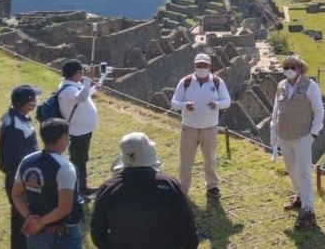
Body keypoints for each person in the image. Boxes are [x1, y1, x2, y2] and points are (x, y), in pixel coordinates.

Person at [90, 132, 198, 249]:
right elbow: (186, 225)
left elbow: (97, 232)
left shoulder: (108, 189)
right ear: (150, 152)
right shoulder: (168, 185)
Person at [270, 55, 325, 230]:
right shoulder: (281, 86)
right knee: (291, 169)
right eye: (287, 66)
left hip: (302, 136)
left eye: (293, 66)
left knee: (303, 171)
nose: (290, 69)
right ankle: (300, 197)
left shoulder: (310, 87)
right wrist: (274, 132)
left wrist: (313, 134)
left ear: (301, 68)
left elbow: (319, 111)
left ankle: (308, 209)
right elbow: (276, 112)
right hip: (285, 136)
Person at [12, 118, 84, 249]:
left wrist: (29, 217)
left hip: (36, 235)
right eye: (68, 135)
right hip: (61, 237)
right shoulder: (64, 167)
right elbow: (64, 208)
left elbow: (16, 195)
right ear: (63, 137)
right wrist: (40, 222)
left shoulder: (26, 161)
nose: (69, 139)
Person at [171, 52, 231, 198]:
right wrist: (185, 105)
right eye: (199, 65)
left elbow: (227, 101)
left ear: (210, 66)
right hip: (189, 127)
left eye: (204, 65)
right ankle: (183, 187)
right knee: (186, 159)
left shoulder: (217, 82)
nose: (202, 67)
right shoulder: (185, 82)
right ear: (194, 66)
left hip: (209, 127)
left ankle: (212, 186)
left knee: (210, 158)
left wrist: (216, 104)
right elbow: (174, 103)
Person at [0, 85, 42, 249]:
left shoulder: (17, 116)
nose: (36, 101)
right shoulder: (14, 126)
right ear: (28, 103)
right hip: (20, 179)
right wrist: (28, 180)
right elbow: (12, 160)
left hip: (22, 176)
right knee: (21, 218)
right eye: (34, 99)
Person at [57, 59, 101, 197]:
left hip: (83, 131)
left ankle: (81, 187)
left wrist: (94, 89)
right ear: (77, 73)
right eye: (81, 72)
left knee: (82, 160)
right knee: (78, 161)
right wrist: (88, 79)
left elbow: (82, 96)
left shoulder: (71, 86)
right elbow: (81, 98)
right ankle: (79, 189)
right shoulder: (68, 89)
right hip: (78, 132)